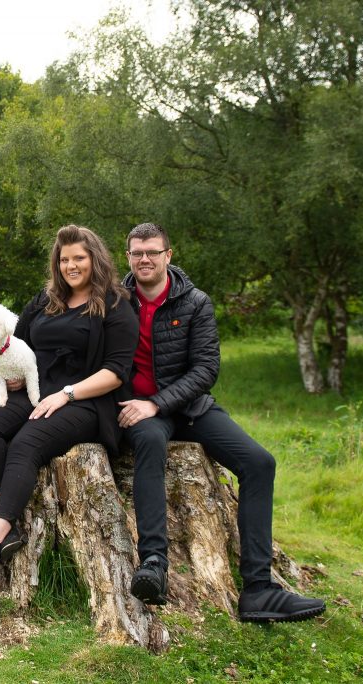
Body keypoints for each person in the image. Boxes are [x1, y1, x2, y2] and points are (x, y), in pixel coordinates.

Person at [118, 223, 326, 622]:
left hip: (189, 408)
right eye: (137, 253)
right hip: (137, 410)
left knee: (259, 463)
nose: (145, 259)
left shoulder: (195, 302)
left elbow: (206, 368)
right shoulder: (115, 301)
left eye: (153, 252)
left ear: (168, 255)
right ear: (127, 256)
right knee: (148, 444)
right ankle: (154, 563)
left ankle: (259, 590)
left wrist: (158, 403)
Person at [0, 224, 138, 581]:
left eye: (79, 258)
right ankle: (3, 529)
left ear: (95, 259)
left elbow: (117, 372)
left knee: (27, 440)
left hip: (85, 401)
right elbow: (15, 341)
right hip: (34, 392)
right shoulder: (45, 300)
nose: (71, 266)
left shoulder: (116, 306)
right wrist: (9, 370)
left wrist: (67, 394)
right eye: (64, 260)